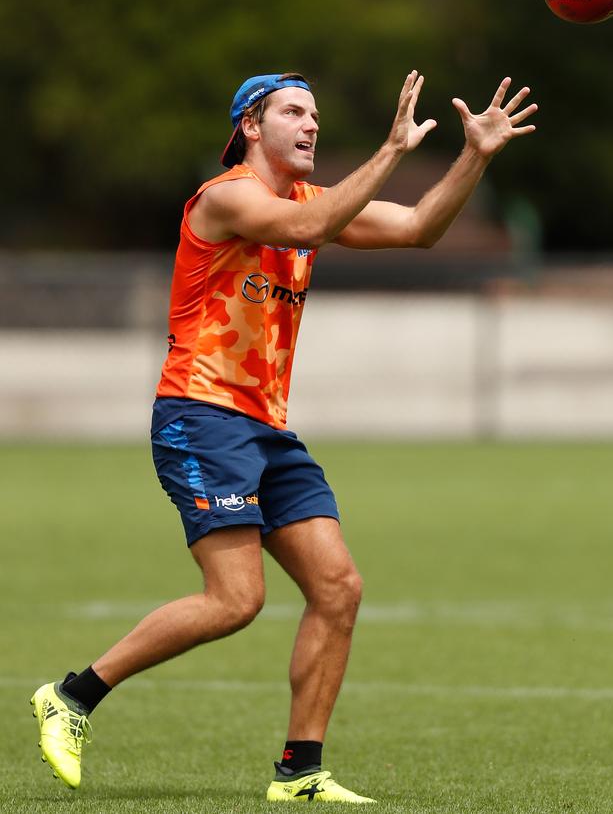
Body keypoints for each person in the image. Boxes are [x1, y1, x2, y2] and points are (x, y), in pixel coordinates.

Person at [31, 70, 537, 803]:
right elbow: (308, 229)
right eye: (293, 112)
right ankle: (71, 697)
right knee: (237, 599)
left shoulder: (312, 204)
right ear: (249, 126)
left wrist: (476, 155)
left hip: (264, 427)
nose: (311, 125)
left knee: (338, 588)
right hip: (199, 416)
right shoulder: (227, 196)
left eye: (316, 114)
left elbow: (422, 228)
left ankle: (300, 772)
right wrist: (393, 148)